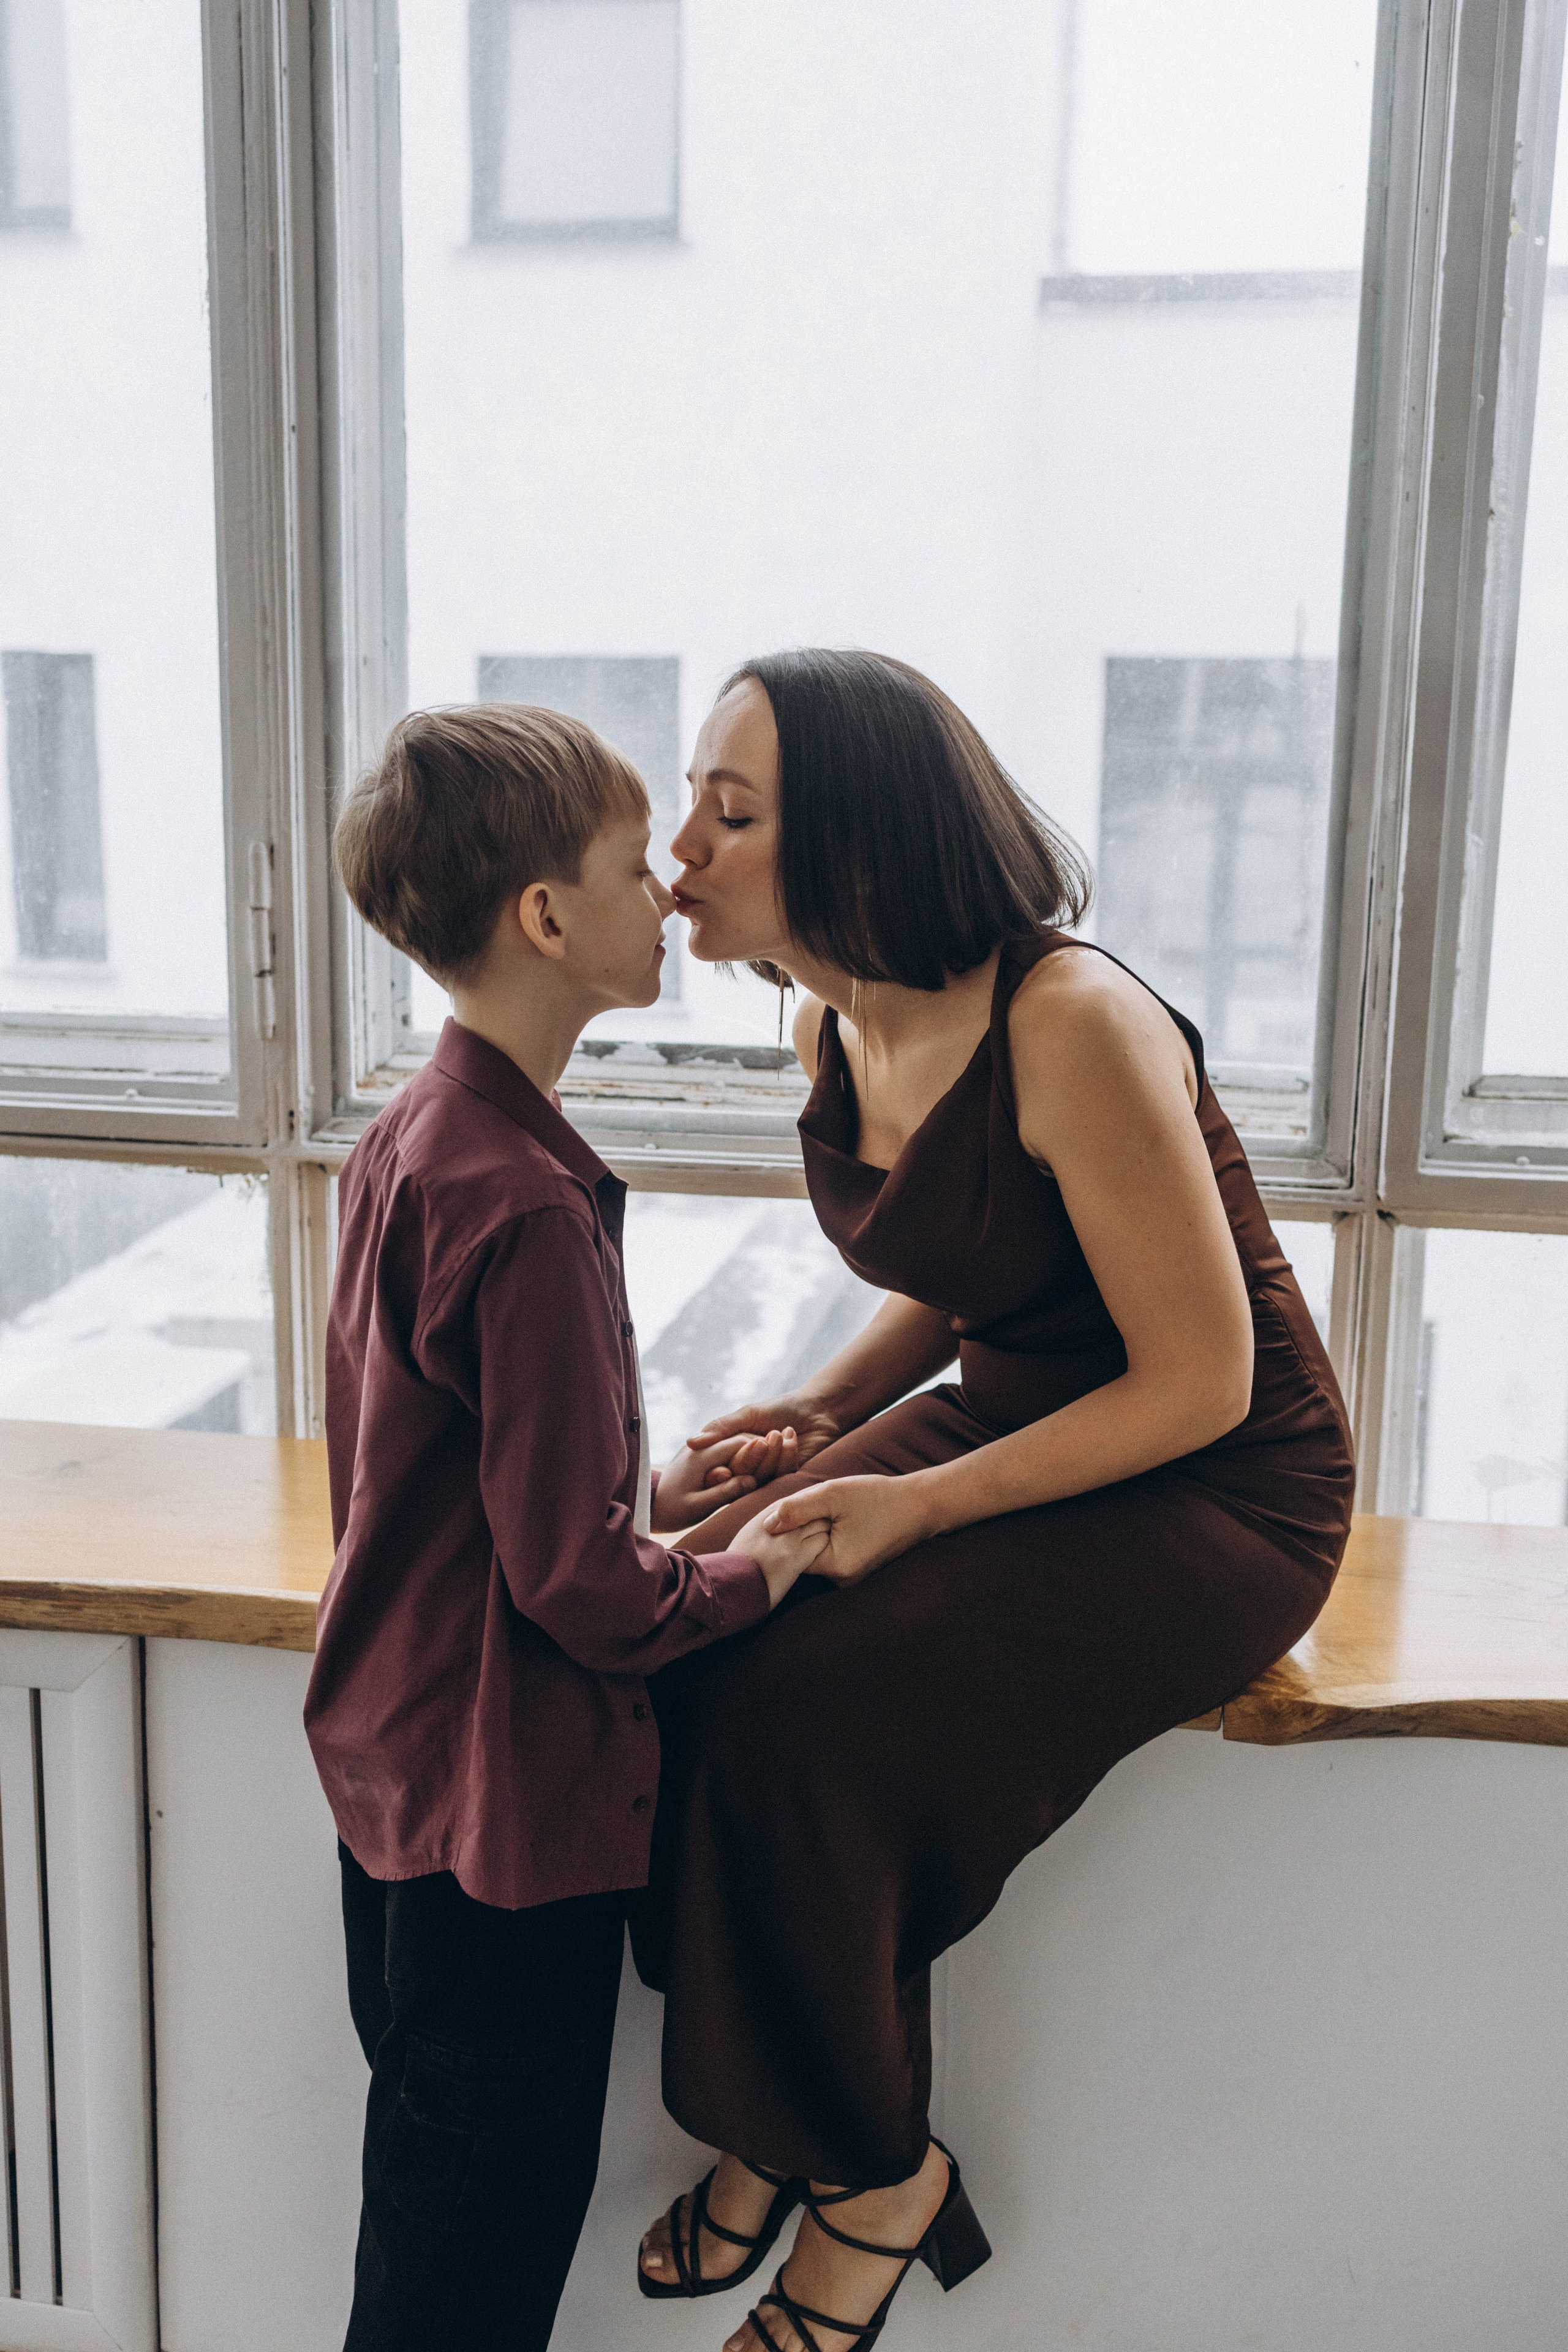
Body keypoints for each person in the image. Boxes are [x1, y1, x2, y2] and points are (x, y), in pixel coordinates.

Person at [632, 650, 1356, 2352]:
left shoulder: (1072, 1019)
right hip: (1019, 1412)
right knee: (689, 1625)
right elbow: (982, 1256)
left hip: (1222, 1487)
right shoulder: (837, 1008)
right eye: (691, 802)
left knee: (809, 1714)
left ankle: (874, 2179)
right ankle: (770, 2115)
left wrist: (926, 1502)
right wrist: (825, 1406)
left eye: (730, 814)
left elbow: (1202, 1385)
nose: (680, 851)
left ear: (862, 843)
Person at [304, 702, 831, 2352]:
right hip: (506, 1830)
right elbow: (579, 1597)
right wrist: (756, 1574)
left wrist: (652, 1497)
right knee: (462, 2291)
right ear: (545, 918)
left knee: (425, 2235)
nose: (669, 895)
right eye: (629, 867)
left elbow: (458, 1491)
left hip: (394, 1784)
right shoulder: (525, 1204)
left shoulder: (414, 1140)